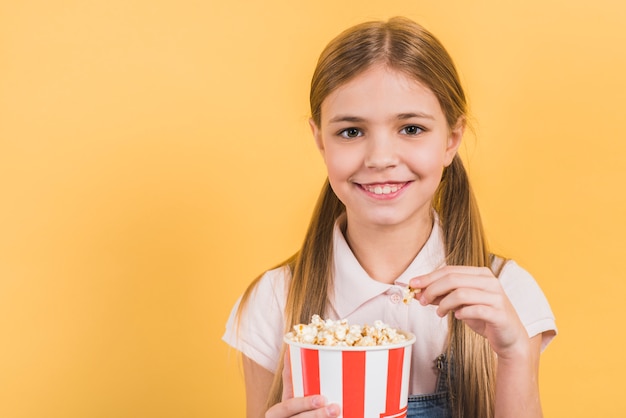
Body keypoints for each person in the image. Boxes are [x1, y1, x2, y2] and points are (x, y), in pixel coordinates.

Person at [223, 16, 556, 418]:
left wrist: (516, 351)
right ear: (319, 139)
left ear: (451, 139)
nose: (381, 158)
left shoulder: (506, 293)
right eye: (351, 132)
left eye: (411, 129)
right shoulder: (275, 300)